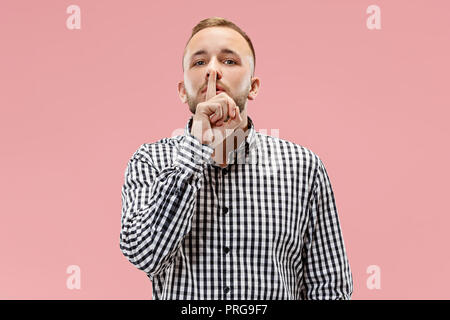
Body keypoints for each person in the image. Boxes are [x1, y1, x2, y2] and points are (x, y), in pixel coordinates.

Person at [120, 17, 353, 300]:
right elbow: (145, 255)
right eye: (199, 62)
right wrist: (196, 147)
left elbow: (329, 287)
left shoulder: (303, 167)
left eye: (229, 61)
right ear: (182, 90)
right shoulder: (150, 161)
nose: (213, 71)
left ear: (253, 87)